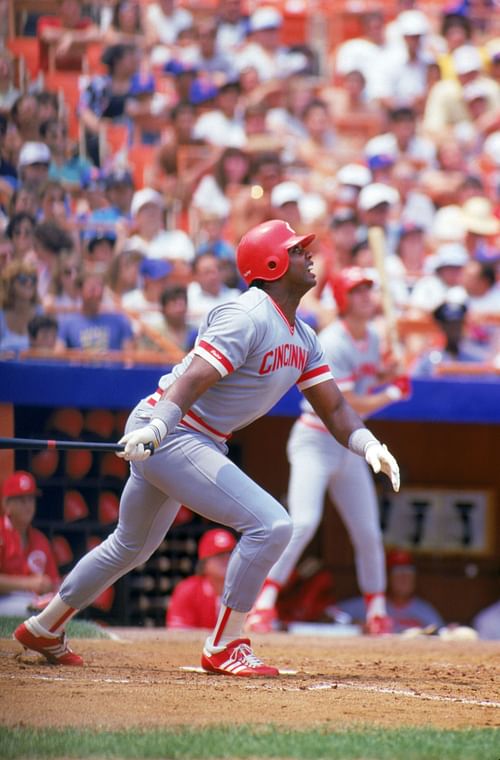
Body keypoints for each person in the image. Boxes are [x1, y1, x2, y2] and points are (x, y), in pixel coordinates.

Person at [14, 219, 400, 675]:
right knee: (273, 524)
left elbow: (335, 409)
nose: (308, 256)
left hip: (187, 437)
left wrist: (369, 444)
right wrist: (158, 427)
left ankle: (44, 625)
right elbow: (196, 376)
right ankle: (224, 644)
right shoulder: (247, 313)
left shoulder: (304, 335)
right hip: (174, 432)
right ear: (273, 263)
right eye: (297, 250)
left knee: (129, 546)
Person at [247, 267, 410, 635]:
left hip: (348, 448)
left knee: (367, 532)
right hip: (316, 440)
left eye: (369, 289)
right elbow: (349, 403)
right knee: (303, 522)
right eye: (357, 291)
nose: (367, 297)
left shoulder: (370, 337)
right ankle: (263, 605)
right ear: (342, 299)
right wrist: (394, 392)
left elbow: (367, 375)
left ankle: (377, 611)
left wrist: (388, 373)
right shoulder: (333, 339)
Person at [337, 548, 445, 634]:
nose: (405, 579)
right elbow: (329, 615)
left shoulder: (424, 610)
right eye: (398, 573)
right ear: (386, 577)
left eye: (409, 573)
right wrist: (353, 623)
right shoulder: (371, 604)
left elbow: (441, 633)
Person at [0, 471, 60, 617]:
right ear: (7, 504)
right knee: (30, 610)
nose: (28, 505)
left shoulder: (40, 539)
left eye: (31, 499)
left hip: (34, 601)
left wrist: (50, 587)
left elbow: (53, 582)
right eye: (21, 500)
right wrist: (28, 583)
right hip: (4, 601)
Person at [166, 528, 237, 629]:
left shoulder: (250, 589)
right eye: (219, 554)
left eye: (230, 553)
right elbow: (178, 634)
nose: (226, 559)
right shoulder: (188, 590)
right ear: (204, 563)